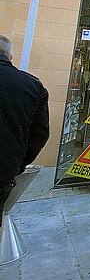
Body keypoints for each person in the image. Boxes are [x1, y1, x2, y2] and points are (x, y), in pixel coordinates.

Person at [0, 35, 50, 222]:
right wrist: (18, 164)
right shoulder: (31, 85)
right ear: (10, 57)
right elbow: (40, 134)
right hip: (5, 169)